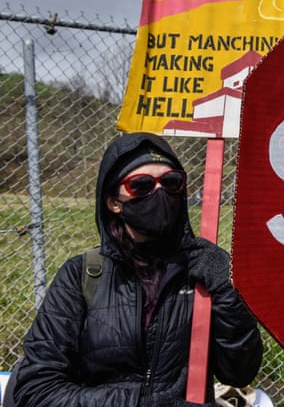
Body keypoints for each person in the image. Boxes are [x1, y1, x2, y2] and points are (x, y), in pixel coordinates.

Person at [6, 132, 262, 406]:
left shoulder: (201, 270)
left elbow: (239, 372)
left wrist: (227, 291)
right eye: (141, 185)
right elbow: (35, 391)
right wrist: (142, 403)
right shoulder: (81, 276)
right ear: (113, 201)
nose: (160, 192)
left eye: (171, 181)